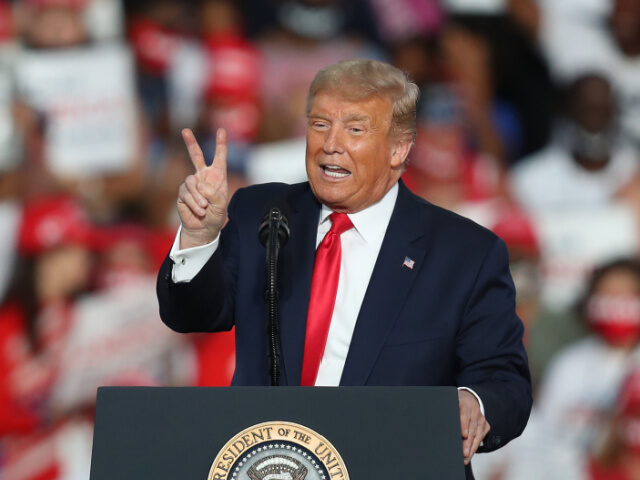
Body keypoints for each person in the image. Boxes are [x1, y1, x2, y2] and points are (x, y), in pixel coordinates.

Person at [156, 58, 531, 477]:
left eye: (354, 129)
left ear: (399, 148)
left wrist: (471, 403)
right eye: (319, 125)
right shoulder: (263, 213)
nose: (330, 144)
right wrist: (199, 236)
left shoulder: (464, 254)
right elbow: (190, 314)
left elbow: (505, 382)